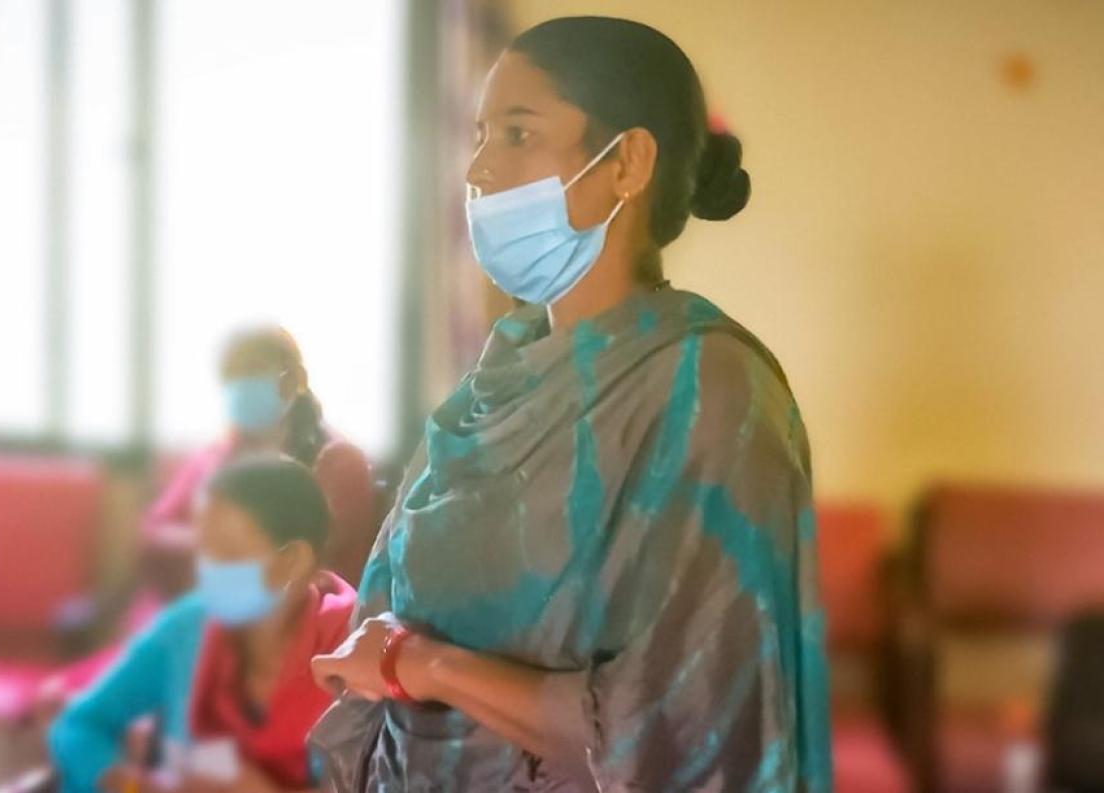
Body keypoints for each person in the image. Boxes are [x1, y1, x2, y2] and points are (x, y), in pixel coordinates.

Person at [308, 17, 831, 792]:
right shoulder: (494, 383)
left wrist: (417, 662)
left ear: (626, 162)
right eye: (481, 133)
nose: (479, 166)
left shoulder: (708, 392)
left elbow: (680, 723)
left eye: (519, 133)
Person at [51, 456, 357, 793]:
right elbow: (82, 723)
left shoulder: (352, 655)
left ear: (291, 561)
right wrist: (129, 785)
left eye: (227, 552)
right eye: (204, 552)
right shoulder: (190, 626)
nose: (206, 571)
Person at [144, 326, 375, 588]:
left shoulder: (339, 461)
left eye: (254, 372)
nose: (242, 386)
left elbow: (310, 561)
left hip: (309, 617)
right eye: (233, 376)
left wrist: (222, 546)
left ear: (293, 380)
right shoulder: (218, 455)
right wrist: (210, 543)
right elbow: (156, 529)